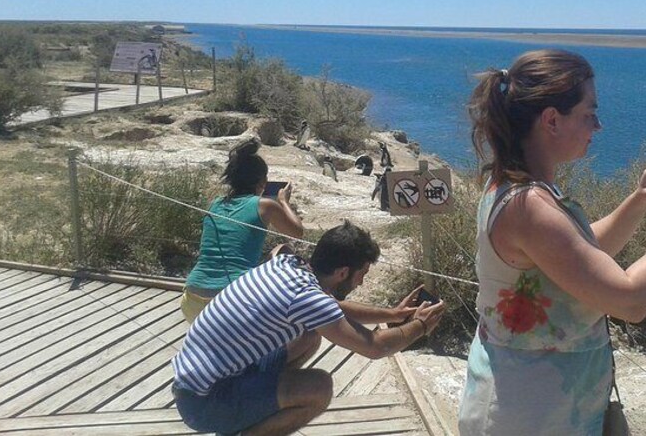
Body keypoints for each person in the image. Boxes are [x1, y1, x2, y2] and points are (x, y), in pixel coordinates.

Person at [458, 49, 646, 435]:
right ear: (552, 120)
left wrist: (638, 200)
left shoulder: (520, 188)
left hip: (532, 403)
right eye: (590, 113)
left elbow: (580, 254)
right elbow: (631, 300)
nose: (599, 125)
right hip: (528, 414)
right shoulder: (530, 206)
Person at [172, 220, 446, 436]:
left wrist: (394, 315)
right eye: (361, 274)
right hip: (204, 403)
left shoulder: (286, 262)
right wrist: (421, 326)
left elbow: (329, 308)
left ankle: (257, 410)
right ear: (342, 273)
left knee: (309, 336)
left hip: (197, 383)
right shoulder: (307, 298)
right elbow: (376, 347)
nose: (361, 283)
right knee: (319, 387)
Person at [181, 138, 304, 323]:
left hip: (191, 300)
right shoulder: (265, 206)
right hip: (230, 303)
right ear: (262, 181)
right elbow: (297, 232)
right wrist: (284, 202)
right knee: (283, 251)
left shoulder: (215, 204)